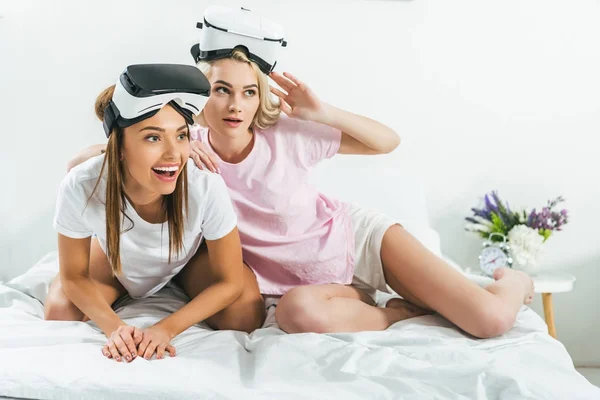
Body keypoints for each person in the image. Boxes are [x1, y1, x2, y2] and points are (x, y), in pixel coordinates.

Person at [72, 51, 535, 339]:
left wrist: (323, 110)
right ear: (200, 96)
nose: (236, 105)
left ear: (260, 98)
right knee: (297, 316)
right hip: (305, 290)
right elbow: (84, 164)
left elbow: (387, 141)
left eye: (249, 92)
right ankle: (395, 313)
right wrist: (177, 146)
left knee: (490, 321)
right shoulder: (179, 148)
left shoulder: (288, 133)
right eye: (221, 90)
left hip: (357, 244)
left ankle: (512, 282)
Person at [45, 64, 264, 364]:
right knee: (59, 313)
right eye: (153, 138)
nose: (173, 154)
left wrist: (166, 329)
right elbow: (73, 275)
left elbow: (230, 281)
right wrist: (116, 328)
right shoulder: (82, 184)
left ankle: (176, 284)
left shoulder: (204, 184)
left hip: (186, 262)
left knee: (245, 314)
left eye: (181, 136)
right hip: (116, 260)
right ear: (118, 146)